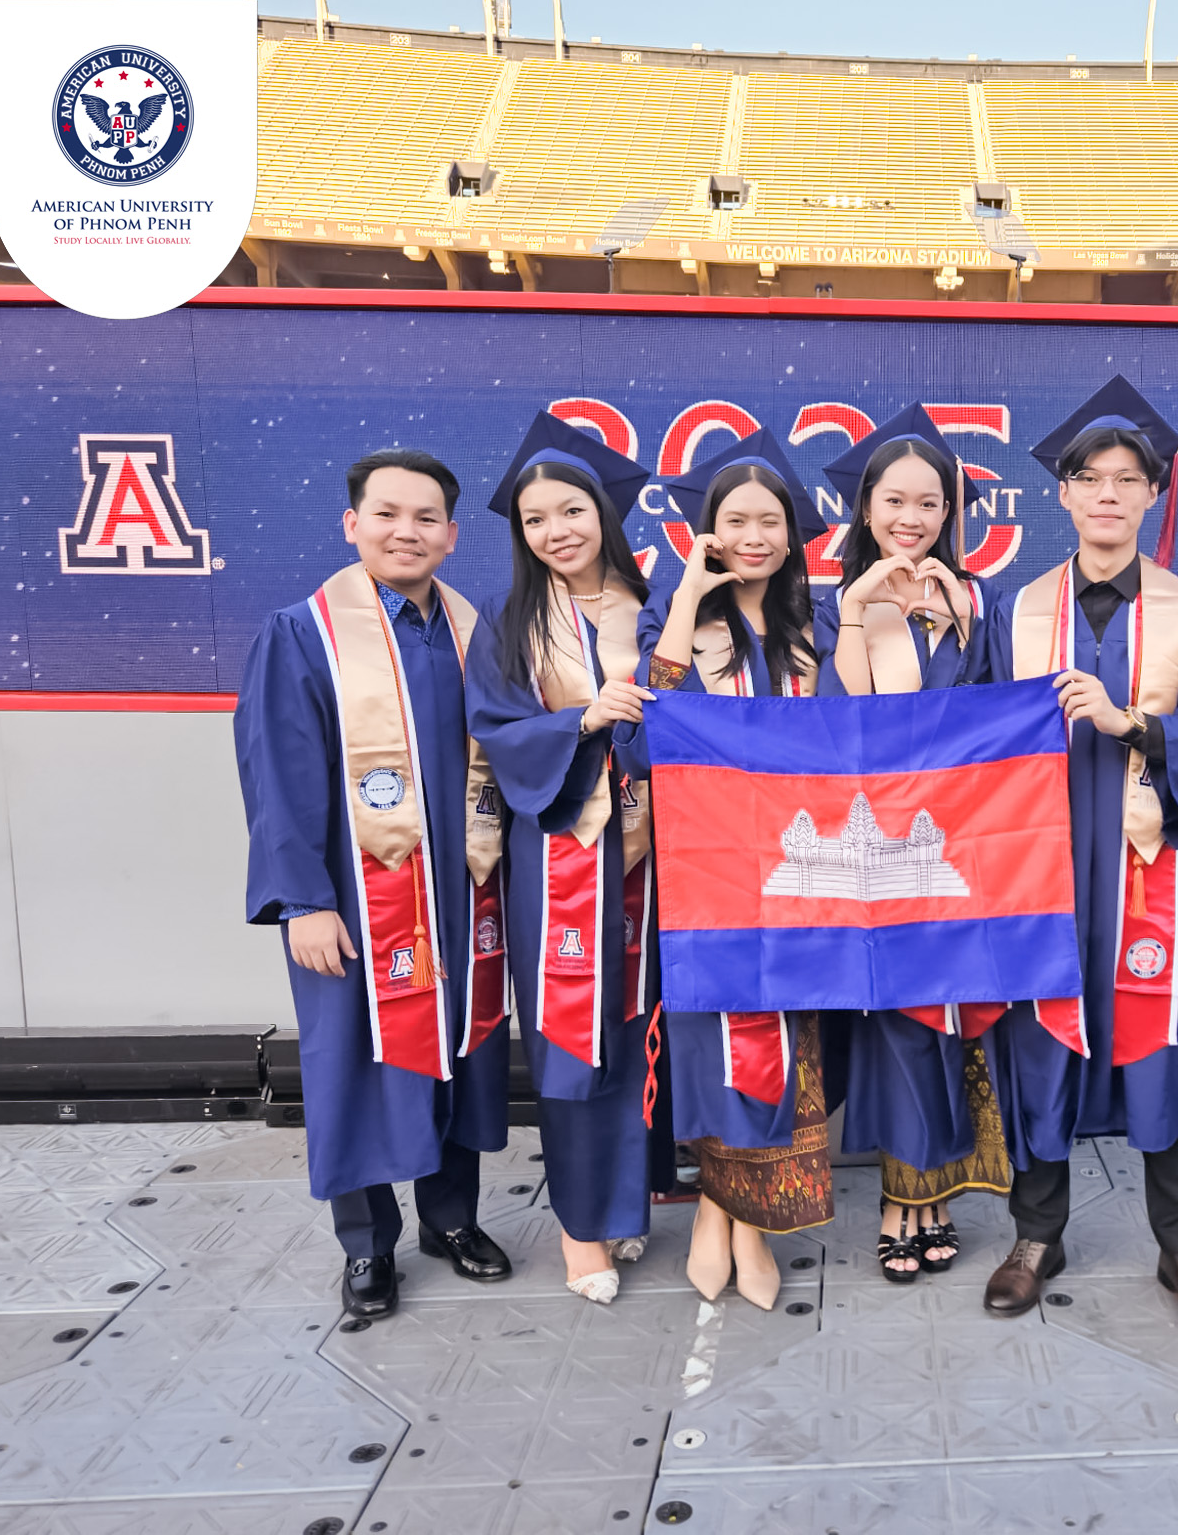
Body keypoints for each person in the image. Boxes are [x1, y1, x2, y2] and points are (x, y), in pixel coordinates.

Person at [235, 448, 514, 1320]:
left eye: (426, 518)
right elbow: (278, 777)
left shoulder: (475, 633)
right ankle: (366, 1245)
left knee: (458, 1048)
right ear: (351, 523)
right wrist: (304, 901)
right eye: (387, 514)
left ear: (452, 535)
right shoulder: (304, 634)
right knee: (353, 1063)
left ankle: (451, 1219)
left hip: (461, 889)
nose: (406, 531)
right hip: (356, 897)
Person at [984, 376, 1178, 1336]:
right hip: (1043, 867)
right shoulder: (1015, 609)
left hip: (1147, 866)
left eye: (1128, 479)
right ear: (1063, 492)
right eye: (1090, 478)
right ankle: (1035, 1236)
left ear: (1151, 494)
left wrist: (1132, 722)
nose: (1108, 494)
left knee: (1158, 1049)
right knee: (1041, 1042)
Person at [638, 426, 837, 1310]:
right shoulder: (675, 616)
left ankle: (739, 1219)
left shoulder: (814, 625)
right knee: (714, 1041)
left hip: (797, 869)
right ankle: (724, 1214)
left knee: (783, 1044)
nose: (753, 538)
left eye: (770, 522)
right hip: (706, 868)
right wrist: (689, 590)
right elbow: (649, 729)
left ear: (792, 536)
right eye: (735, 522)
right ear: (707, 532)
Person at [463, 412, 660, 1304]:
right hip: (562, 853)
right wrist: (583, 720)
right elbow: (495, 730)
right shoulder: (510, 618)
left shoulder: (654, 603)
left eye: (571, 511)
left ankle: (626, 1205)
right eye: (535, 519)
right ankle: (581, 1228)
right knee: (572, 1035)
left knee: (639, 1030)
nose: (555, 531)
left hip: (656, 855)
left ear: (603, 514)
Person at [817, 406, 1010, 1282]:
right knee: (897, 1025)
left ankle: (936, 1191)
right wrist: (861, 609)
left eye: (930, 503)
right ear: (865, 508)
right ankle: (904, 1201)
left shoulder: (980, 601)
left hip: (958, 843)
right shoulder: (834, 605)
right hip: (875, 852)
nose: (912, 518)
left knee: (952, 1025)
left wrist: (961, 619)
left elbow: (1002, 714)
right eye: (894, 501)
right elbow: (840, 720)